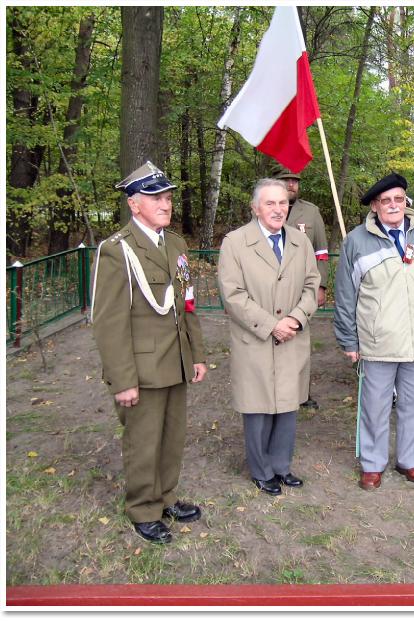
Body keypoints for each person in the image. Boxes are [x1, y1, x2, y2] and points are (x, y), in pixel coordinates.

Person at [91, 161, 207, 544]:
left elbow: (187, 303)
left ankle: (166, 497)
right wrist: (122, 380)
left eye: (168, 197)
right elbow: (109, 322)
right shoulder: (117, 251)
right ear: (133, 203)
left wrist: (197, 354)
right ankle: (143, 508)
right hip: (141, 368)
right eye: (156, 197)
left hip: (175, 362)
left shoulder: (175, 244)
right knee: (143, 441)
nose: (166, 203)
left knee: (172, 437)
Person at [333, 172, 414, 491]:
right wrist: (348, 338)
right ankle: (373, 464)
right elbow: (346, 294)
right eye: (385, 200)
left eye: (398, 199)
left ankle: (410, 461)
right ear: (375, 206)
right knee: (375, 406)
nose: (393, 205)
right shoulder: (357, 240)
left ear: (406, 202)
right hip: (378, 341)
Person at [217, 178, 320, 496]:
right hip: (256, 338)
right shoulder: (234, 242)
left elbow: (312, 284)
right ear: (255, 208)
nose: (278, 209)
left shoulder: (300, 242)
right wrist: (271, 324)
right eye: (270, 203)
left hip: (292, 336)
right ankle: (261, 470)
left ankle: (281, 466)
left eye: (283, 203)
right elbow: (232, 295)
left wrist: (295, 319)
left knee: (287, 405)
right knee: (258, 407)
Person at [277, 170, 330, 411]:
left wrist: (321, 284)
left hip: (301, 289)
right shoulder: (264, 208)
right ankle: (274, 390)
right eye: (286, 180)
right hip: (270, 288)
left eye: (295, 180)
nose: (291, 184)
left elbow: (321, 251)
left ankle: (301, 393)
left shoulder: (311, 212)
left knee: (300, 342)